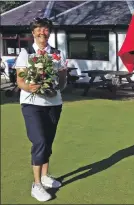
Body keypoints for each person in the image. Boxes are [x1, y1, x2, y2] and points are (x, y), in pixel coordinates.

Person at [15, 17, 67, 202]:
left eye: (45, 30)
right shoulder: (26, 53)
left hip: (53, 103)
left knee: (48, 141)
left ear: (49, 33)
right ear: (33, 33)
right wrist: (30, 87)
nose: (41, 33)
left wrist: (59, 85)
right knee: (40, 141)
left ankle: (45, 177)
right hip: (31, 103)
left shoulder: (57, 53)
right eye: (38, 30)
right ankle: (36, 185)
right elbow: (20, 80)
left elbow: (62, 79)